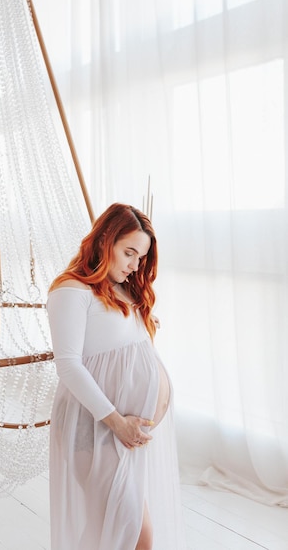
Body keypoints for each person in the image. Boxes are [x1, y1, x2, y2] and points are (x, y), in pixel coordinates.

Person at [46, 202, 187, 550]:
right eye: (129, 253)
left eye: (140, 257)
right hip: (95, 431)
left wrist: (144, 324)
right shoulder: (71, 291)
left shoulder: (120, 289)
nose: (134, 265)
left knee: (107, 531)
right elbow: (68, 365)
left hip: (122, 434)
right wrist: (117, 423)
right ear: (105, 239)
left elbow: (120, 352)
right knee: (135, 535)